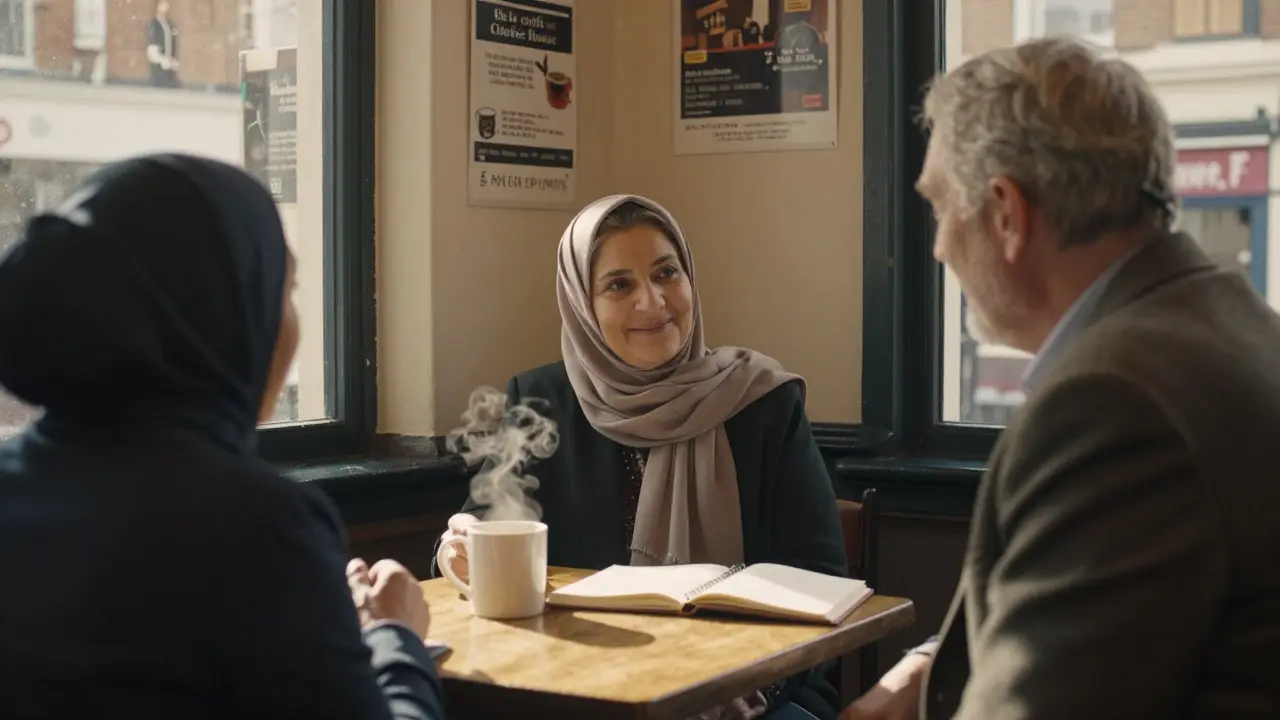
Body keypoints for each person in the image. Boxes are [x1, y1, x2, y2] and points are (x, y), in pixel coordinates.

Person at [841, 37, 1280, 720]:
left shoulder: (1113, 404)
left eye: (938, 209)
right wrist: (934, 674)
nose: (936, 247)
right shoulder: (1232, 325)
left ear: (1007, 214)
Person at [0, 154, 445, 719]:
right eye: (283, 292)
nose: (288, 325)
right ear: (223, 316)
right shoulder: (255, 525)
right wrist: (394, 635)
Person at [438, 195, 848, 720]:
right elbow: (476, 537)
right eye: (619, 284)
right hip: (583, 686)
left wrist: (752, 689)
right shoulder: (541, 403)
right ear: (581, 305)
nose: (653, 302)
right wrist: (457, 551)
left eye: (666, 273)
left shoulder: (762, 401)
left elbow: (822, 579)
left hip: (757, 693)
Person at [146, 0, 180, 88]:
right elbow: (152, 50)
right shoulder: (154, 24)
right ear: (157, 7)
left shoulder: (170, 25)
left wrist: (173, 60)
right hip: (158, 66)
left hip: (169, 67)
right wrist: (165, 60)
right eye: (162, 4)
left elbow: (173, 43)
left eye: (166, 4)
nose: (164, 7)